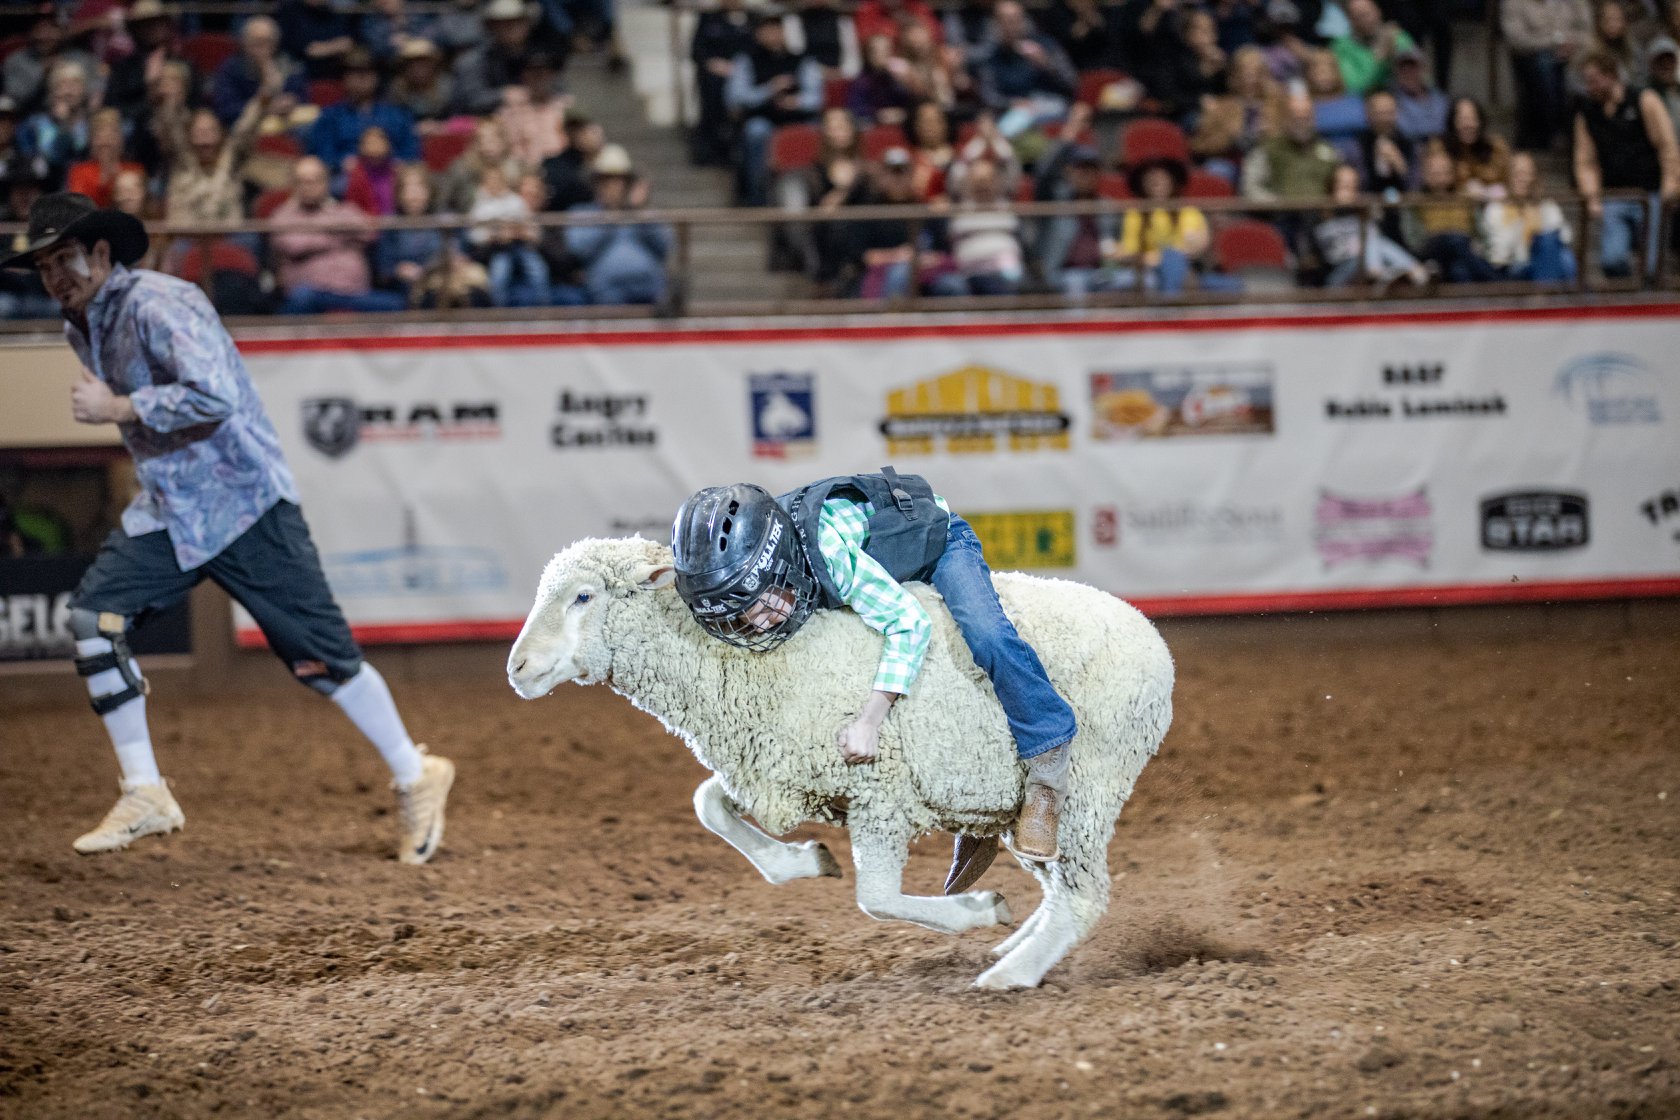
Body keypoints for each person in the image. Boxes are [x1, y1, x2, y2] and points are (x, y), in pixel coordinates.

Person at [0, 192, 455, 861]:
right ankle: (146, 790)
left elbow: (216, 395)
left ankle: (418, 774)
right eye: (42, 268)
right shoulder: (84, 323)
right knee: (95, 618)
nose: (53, 279)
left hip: (242, 503)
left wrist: (120, 405)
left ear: (100, 253)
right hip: (170, 507)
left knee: (325, 659)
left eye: (61, 260)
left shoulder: (159, 303)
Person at [668, 470, 1078, 889]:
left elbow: (909, 625)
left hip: (938, 543)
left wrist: (869, 721)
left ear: (779, 562)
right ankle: (975, 811)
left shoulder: (827, 554)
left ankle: (1048, 766)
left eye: (761, 601)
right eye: (739, 615)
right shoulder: (777, 558)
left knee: (987, 635)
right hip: (874, 561)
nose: (757, 622)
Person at [1572, 48, 1680, 276]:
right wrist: (1592, 197)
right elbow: (1585, 161)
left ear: (1611, 75)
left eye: (1594, 81)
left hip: (1650, 194)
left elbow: (1667, 146)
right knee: (1611, 261)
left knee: (1652, 267)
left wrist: (1670, 187)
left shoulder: (1644, 100)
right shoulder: (1587, 114)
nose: (1589, 88)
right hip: (1614, 196)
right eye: (1586, 82)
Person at [271, 156, 409, 313]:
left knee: (395, 304)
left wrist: (314, 233)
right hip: (313, 295)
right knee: (302, 296)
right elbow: (294, 245)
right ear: (293, 185)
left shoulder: (345, 210)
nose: (308, 187)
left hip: (354, 294)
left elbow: (368, 232)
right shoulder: (284, 215)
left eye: (315, 180)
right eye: (302, 181)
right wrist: (341, 235)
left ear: (326, 182)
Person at [726, 10, 824, 207]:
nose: (773, 35)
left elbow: (816, 97)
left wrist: (796, 102)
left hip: (798, 118)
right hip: (763, 117)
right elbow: (736, 97)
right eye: (767, 30)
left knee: (819, 130)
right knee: (756, 131)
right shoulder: (746, 60)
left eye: (777, 29)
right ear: (758, 34)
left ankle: (817, 193)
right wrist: (770, 89)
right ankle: (758, 197)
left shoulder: (802, 60)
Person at [565, 144, 672, 304]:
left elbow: (664, 247)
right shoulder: (582, 212)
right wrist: (609, 219)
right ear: (596, 182)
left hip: (649, 286)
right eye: (605, 179)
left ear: (627, 183)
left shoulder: (645, 214)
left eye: (618, 179)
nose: (612, 185)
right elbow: (579, 249)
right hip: (607, 289)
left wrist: (639, 213)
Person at [1503, 0, 1591, 150]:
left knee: (1590, 64)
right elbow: (1516, 39)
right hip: (1534, 54)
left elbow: (1586, 30)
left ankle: (1583, 133)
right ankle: (1554, 131)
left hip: (1573, 51)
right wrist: (1553, 44)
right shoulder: (1514, 3)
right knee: (1544, 65)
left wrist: (1571, 44)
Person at [1481, 150, 1578, 281]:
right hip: (1512, 267)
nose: (1522, 178)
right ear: (1508, 176)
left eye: (1527, 173)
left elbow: (1566, 236)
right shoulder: (1496, 209)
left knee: (1565, 257)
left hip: (1541, 261)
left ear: (1535, 177)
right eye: (1517, 173)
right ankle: (1547, 296)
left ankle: (1546, 293)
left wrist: (1538, 227)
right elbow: (1500, 255)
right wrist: (1518, 220)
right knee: (1562, 259)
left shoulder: (1545, 205)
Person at [1330, 0, 1413, 95]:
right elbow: (1355, 86)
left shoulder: (1396, 36)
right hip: (1365, 102)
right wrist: (1381, 57)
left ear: (1378, 11)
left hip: (1402, 99)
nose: (1365, 20)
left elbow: (1417, 76)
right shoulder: (1342, 47)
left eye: (1367, 14)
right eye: (1359, 17)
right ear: (1350, 20)